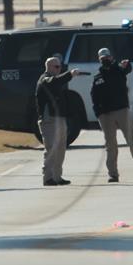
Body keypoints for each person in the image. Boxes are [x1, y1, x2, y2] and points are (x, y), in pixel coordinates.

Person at [90, 48, 133, 183]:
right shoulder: (98, 77)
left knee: (131, 141)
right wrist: (98, 114)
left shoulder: (118, 70)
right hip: (105, 115)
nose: (105, 60)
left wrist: (126, 65)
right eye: (102, 58)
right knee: (111, 146)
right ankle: (113, 174)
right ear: (99, 60)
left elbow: (127, 69)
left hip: (121, 110)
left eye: (107, 57)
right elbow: (94, 97)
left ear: (111, 57)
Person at [36, 57, 81, 186]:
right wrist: (69, 74)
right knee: (51, 149)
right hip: (48, 120)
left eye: (60, 67)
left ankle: (57, 177)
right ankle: (48, 178)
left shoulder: (56, 81)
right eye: (56, 67)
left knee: (61, 148)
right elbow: (53, 81)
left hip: (59, 118)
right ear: (49, 67)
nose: (59, 69)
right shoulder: (44, 79)